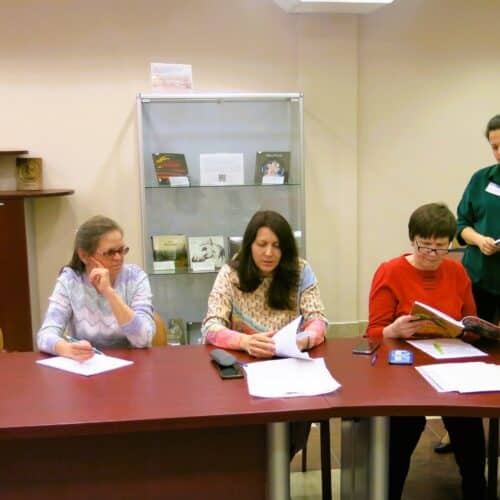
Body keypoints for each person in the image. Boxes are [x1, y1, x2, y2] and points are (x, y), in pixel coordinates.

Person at [366, 202, 486, 500]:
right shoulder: (390, 271)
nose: (432, 254)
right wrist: (392, 331)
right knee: (403, 428)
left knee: (468, 427)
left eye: (441, 247)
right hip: (405, 366)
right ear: (412, 240)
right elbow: (373, 332)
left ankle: (476, 490)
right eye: (425, 246)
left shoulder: (456, 271)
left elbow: (469, 321)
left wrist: (470, 330)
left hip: (450, 361)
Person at [201, 209, 327, 456]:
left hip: (288, 364)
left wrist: (304, 340)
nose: (269, 253)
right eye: (262, 244)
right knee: (244, 436)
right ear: (250, 245)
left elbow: (318, 320)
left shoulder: (301, 270)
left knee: (291, 427)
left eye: (277, 246)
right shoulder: (231, 273)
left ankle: (279, 464)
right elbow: (211, 326)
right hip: (243, 365)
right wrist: (245, 341)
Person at [37, 215, 155, 361]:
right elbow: (45, 335)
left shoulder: (136, 277)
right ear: (84, 256)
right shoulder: (70, 280)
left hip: (130, 364)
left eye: (121, 250)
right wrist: (66, 348)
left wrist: (109, 293)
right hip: (86, 365)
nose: (118, 258)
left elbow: (144, 339)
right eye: (110, 252)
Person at [456, 113, 500, 325]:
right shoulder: (481, 179)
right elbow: (461, 224)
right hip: (479, 279)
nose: (499, 153)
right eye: (495, 147)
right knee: (476, 336)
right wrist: (480, 240)